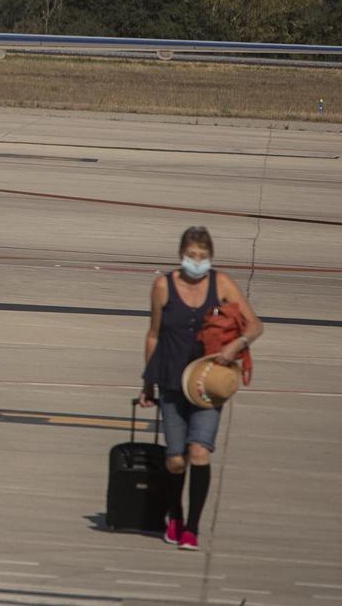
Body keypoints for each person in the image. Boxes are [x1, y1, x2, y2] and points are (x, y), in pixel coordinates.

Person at [139, 225, 264, 550]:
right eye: (192, 256)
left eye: (203, 257)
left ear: (211, 258)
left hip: (209, 382)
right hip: (170, 380)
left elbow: (255, 324)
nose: (197, 262)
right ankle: (175, 516)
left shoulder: (220, 282)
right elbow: (153, 334)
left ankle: (192, 527)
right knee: (175, 459)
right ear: (181, 256)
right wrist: (147, 382)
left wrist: (235, 345)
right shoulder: (163, 286)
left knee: (199, 452)